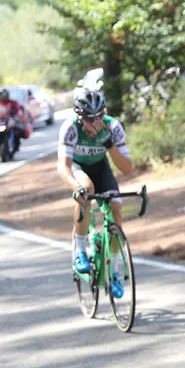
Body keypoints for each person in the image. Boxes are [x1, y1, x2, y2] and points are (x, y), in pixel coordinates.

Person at [57, 88, 134, 298]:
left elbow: (127, 169)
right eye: (90, 118)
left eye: (99, 115)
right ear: (79, 117)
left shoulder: (113, 126)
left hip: (101, 167)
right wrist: (76, 186)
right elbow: (63, 166)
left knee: (116, 209)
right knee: (87, 188)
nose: (96, 122)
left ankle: (114, 271)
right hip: (78, 168)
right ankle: (80, 250)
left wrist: (108, 143)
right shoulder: (70, 128)